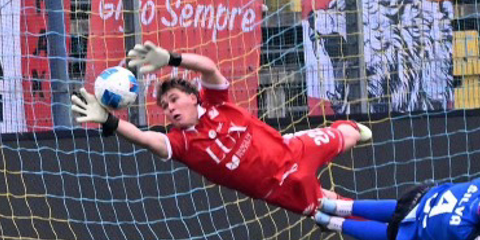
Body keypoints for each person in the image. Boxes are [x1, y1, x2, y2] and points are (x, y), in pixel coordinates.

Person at [71, 42, 373, 216]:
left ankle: (351, 129)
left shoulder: (216, 104)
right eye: (165, 107)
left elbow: (209, 67)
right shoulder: (182, 144)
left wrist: (171, 59)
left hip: (291, 148)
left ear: (193, 97)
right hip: (278, 187)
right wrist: (109, 120)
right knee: (331, 210)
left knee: (348, 134)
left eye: (174, 100)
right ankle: (387, 221)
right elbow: (145, 138)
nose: (171, 109)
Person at [311, 175, 480, 240]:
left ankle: (336, 206)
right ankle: (331, 222)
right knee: (390, 235)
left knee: (396, 207)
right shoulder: (463, 230)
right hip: (414, 224)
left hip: (420, 193)